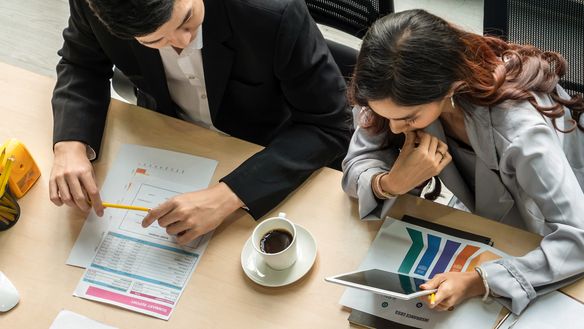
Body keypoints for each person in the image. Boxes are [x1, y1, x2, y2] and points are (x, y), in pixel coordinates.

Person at [342, 9, 584, 314]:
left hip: (544, 220)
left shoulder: (521, 131)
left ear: (451, 88)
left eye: (408, 118)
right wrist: (389, 183)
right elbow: (357, 162)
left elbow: (579, 237)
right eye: (386, 116)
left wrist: (480, 281)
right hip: (484, 221)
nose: (393, 129)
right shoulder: (391, 93)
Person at [50, 0, 351, 245]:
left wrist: (226, 196)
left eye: (187, 18)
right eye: (156, 40)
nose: (184, 41)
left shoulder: (274, 12)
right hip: (167, 137)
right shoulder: (95, 7)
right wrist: (70, 145)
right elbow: (81, 63)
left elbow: (330, 124)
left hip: (262, 150)